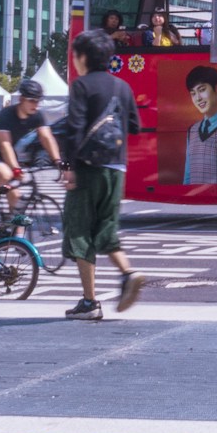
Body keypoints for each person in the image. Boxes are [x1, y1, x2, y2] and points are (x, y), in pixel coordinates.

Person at [56, 29, 146, 321]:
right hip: (116, 167)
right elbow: (135, 125)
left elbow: (74, 128)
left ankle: (90, 301)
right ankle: (129, 272)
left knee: (80, 230)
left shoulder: (81, 85)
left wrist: (68, 167)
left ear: (82, 57)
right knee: (106, 228)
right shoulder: (123, 86)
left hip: (87, 168)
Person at [0, 78, 64, 205]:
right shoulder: (6, 115)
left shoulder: (36, 115)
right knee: (7, 178)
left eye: (38, 101)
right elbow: (5, 145)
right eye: (31, 101)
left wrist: (58, 161)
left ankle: (14, 223)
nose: (35, 105)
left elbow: (46, 137)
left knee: (16, 198)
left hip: (8, 155)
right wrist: (16, 169)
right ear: (21, 99)